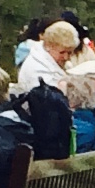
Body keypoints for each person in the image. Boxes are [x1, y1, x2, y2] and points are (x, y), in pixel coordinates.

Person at [16, 20, 82, 160]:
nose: (66, 57)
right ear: (48, 46)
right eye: (62, 52)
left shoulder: (55, 61)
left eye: (70, 53)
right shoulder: (36, 68)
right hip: (45, 132)